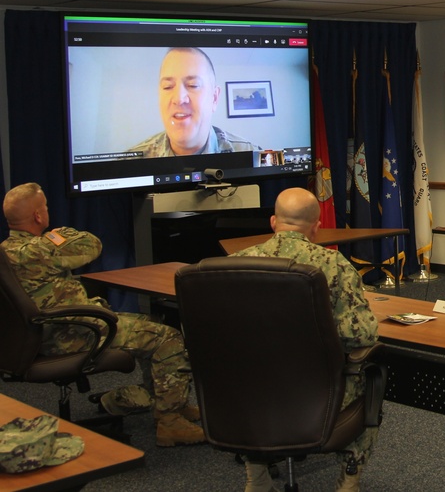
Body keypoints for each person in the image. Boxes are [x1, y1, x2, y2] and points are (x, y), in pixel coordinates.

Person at [1, 183, 203, 447]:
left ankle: (168, 403)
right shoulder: (39, 250)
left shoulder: (7, 249)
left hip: (47, 331)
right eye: (46, 207)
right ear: (39, 216)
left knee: (150, 323)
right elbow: (92, 245)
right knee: (169, 337)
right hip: (71, 333)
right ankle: (170, 423)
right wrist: (56, 236)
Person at [230, 187, 379, 492]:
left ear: (273, 222)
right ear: (316, 225)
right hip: (319, 393)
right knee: (370, 373)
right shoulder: (334, 265)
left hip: (250, 393)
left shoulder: (234, 263)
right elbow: (361, 334)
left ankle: (256, 475)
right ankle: (349, 478)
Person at [128, 47, 258, 157]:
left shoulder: (250, 155)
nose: (179, 99)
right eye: (167, 87)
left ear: (214, 98)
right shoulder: (129, 164)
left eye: (193, 85)